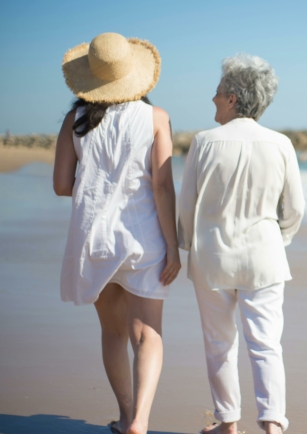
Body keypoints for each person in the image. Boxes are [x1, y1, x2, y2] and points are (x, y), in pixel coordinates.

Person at [53, 33, 181, 434]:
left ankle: (125, 415)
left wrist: (98, 189)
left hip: (95, 239)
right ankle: (140, 423)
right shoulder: (156, 117)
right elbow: (161, 186)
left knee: (112, 332)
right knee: (148, 335)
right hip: (143, 238)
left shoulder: (74, 120)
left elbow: (60, 184)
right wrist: (174, 247)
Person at [178, 54, 304, 434]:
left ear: (232, 98)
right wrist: (279, 239)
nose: (213, 100)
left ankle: (228, 424)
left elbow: (187, 206)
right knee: (266, 343)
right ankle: (272, 425)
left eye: (217, 93)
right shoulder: (280, 143)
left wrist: (185, 244)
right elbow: (295, 207)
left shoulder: (203, 142)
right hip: (265, 256)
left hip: (212, 257)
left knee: (219, 344)